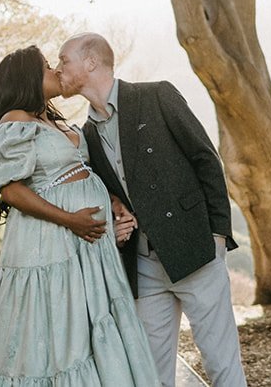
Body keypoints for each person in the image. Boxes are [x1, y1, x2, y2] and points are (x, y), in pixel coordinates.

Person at [0, 45, 157, 387]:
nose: (56, 72)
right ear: (28, 78)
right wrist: (69, 219)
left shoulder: (55, 120)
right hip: (48, 243)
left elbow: (78, 171)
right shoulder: (15, 120)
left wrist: (112, 203)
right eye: (48, 67)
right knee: (53, 332)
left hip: (86, 246)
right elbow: (11, 191)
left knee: (84, 325)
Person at [57, 33, 248, 387]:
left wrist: (218, 235)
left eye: (64, 60)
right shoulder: (88, 135)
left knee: (222, 365)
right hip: (142, 266)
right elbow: (112, 196)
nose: (58, 69)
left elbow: (205, 158)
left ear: (91, 62)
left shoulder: (156, 95)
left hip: (195, 251)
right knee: (151, 375)